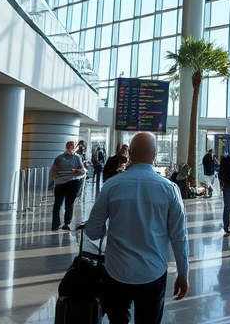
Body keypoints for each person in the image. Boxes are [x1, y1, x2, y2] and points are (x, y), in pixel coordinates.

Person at [85, 132, 189, 324]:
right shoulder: (169, 189)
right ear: (155, 155)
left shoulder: (111, 186)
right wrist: (183, 273)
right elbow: (179, 236)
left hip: (116, 271)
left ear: (130, 154)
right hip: (153, 273)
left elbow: (92, 231)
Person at [51, 141, 86, 231]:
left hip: (73, 181)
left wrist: (76, 170)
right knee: (57, 203)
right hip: (60, 182)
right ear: (66, 147)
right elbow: (53, 170)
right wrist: (54, 179)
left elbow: (82, 170)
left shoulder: (78, 158)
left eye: (73, 145)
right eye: (70, 145)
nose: (72, 147)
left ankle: (67, 223)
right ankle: (55, 223)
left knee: (69, 203)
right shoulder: (59, 158)